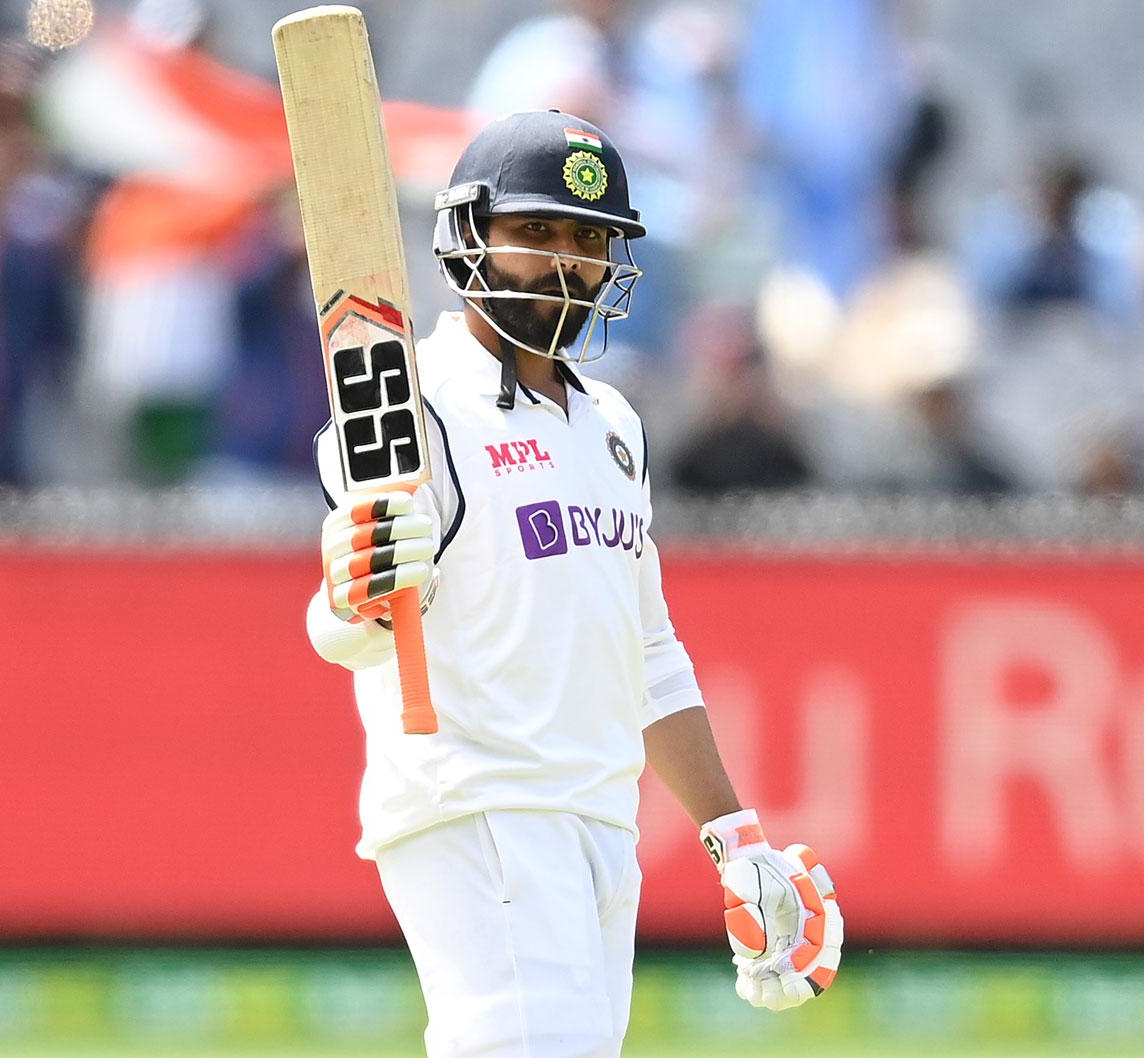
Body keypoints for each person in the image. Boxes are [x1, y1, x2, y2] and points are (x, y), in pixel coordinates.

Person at [305, 110, 843, 1058]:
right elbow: (353, 614)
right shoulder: (416, 402)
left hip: (599, 820)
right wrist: (350, 589)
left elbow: (650, 655)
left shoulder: (615, 425)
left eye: (588, 239)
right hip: (477, 809)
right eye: (537, 231)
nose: (564, 260)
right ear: (470, 235)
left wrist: (737, 838)